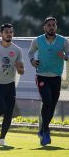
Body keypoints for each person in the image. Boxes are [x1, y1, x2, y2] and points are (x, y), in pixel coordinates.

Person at [28, 17, 69, 146]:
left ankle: (42, 130)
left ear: (56, 27)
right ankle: (46, 131)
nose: (51, 27)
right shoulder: (37, 40)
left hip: (56, 77)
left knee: (51, 106)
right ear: (44, 27)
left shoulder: (63, 41)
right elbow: (30, 53)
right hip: (41, 75)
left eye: (53, 25)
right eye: (49, 25)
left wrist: (65, 57)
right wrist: (33, 61)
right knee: (47, 101)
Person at [0, 23, 24, 146]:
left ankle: (2, 138)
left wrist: (19, 69)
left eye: (11, 32)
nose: (9, 34)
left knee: (9, 112)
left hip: (10, 84)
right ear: (1, 34)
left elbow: (21, 71)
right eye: (6, 32)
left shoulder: (17, 50)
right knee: (1, 109)